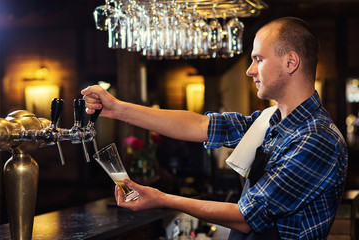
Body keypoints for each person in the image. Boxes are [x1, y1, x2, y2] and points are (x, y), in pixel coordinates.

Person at [81, 17, 348, 239]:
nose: (250, 70)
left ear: (291, 62)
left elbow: (246, 218)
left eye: (258, 59)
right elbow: (200, 125)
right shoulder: (270, 120)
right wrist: (116, 109)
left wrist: (163, 199)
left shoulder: (317, 139)